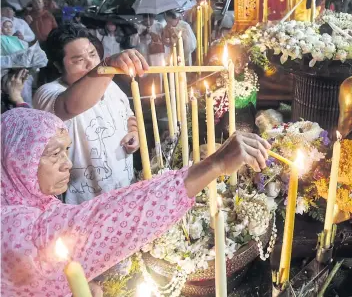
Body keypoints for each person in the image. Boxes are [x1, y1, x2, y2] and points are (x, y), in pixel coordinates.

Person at [1, 107, 270, 296]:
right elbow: (98, 224)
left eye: (66, 150)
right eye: (53, 154)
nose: (68, 164)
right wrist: (213, 165)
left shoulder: (30, 199)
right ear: (17, 160)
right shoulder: (11, 226)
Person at [33, 24, 148, 204]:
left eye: (93, 54)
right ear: (58, 65)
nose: (90, 64)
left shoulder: (110, 85)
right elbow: (70, 106)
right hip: (83, 204)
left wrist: (133, 132)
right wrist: (107, 64)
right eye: (78, 60)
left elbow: (128, 114)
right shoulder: (48, 94)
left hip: (124, 193)